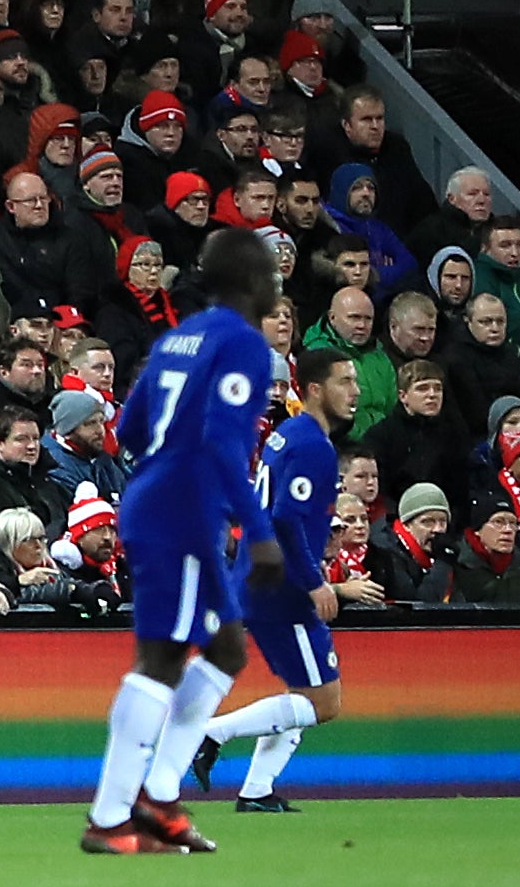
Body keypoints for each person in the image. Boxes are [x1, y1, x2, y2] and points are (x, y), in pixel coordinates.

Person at [83, 227, 278, 855]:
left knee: (226, 649)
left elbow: (130, 428)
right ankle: (112, 815)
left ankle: (158, 793)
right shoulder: (244, 344)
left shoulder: (177, 338)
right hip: (183, 508)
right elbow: (224, 444)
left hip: (159, 496)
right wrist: (261, 530)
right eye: (271, 272)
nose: (278, 281)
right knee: (163, 658)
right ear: (252, 280)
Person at [195, 341, 358, 812]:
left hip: (258, 576)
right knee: (324, 704)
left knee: (301, 694)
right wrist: (313, 580)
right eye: (343, 382)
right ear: (314, 389)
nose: (354, 391)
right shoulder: (313, 445)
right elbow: (286, 519)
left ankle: (257, 792)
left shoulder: (286, 434)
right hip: (282, 586)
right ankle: (210, 733)